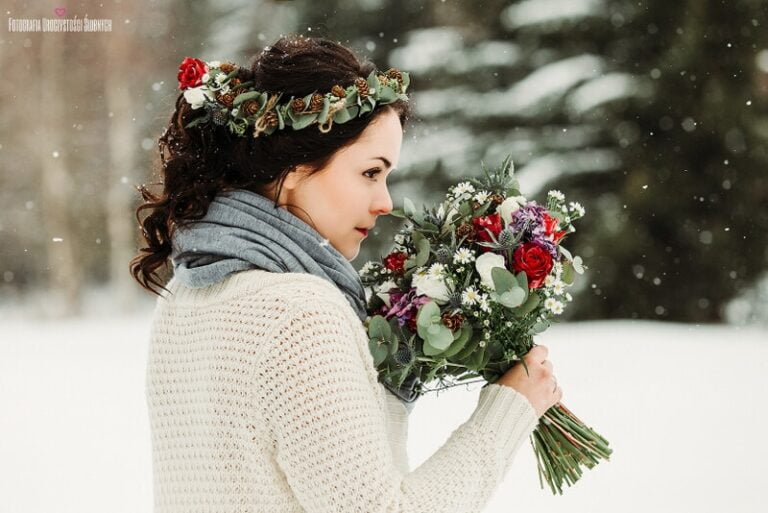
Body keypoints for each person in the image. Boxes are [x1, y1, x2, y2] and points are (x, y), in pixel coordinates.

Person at [130, 34, 563, 513]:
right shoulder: (298, 312)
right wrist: (507, 409)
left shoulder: (185, 296)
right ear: (295, 167)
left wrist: (397, 366)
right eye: (370, 172)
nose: (386, 202)